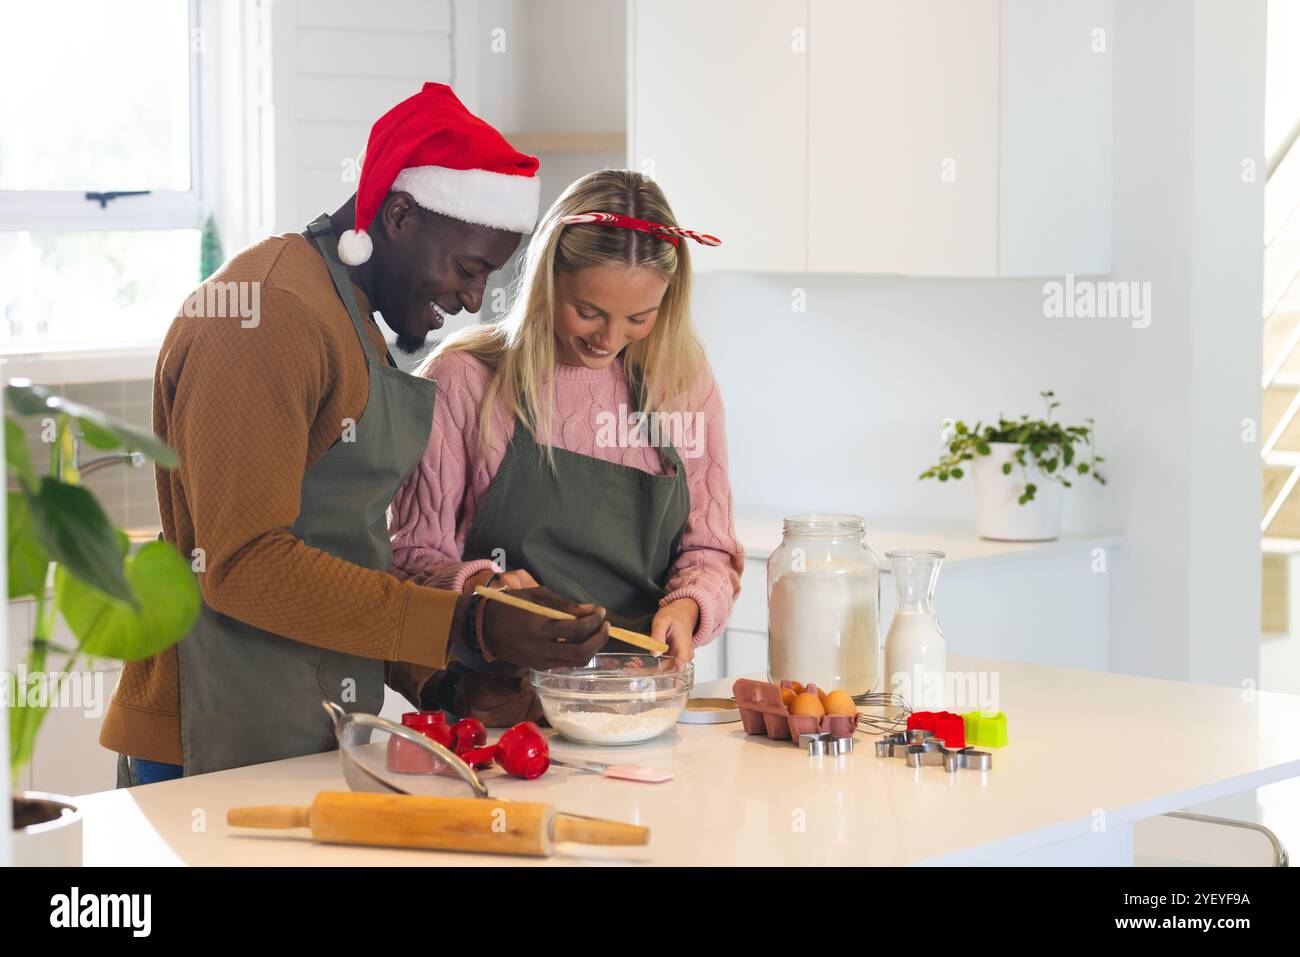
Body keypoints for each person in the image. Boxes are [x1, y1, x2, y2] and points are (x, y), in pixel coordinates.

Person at [100, 83, 608, 784]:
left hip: (304, 725)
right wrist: (466, 622)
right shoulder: (268, 316)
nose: (470, 301)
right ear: (400, 215)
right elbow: (243, 562)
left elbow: (341, 552)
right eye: (469, 269)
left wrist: (443, 683)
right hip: (213, 739)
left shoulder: (353, 320)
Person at [388, 169, 743, 724]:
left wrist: (690, 603)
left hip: (634, 711)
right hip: (497, 715)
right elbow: (409, 561)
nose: (608, 339)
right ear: (548, 280)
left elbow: (711, 551)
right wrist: (487, 591)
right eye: (589, 312)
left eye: (638, 319)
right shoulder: (466, 381)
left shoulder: (683, 387)